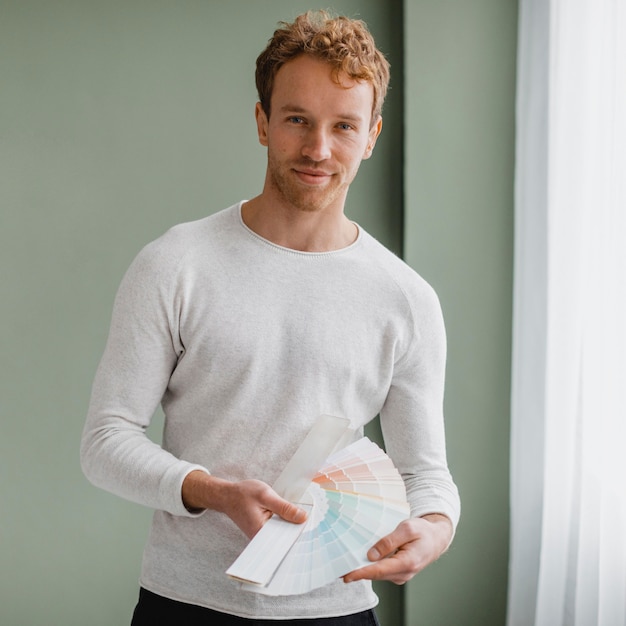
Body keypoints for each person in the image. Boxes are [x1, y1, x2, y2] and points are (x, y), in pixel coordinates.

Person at [81, 10, 460, 625]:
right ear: (262, 122)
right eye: (297, 121)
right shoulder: (176, 264)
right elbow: (105, 442)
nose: (318, 148)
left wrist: (437, 528)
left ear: (372, 135)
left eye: (344, 126)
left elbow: (426, 474)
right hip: (186, 604)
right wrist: (215, 493)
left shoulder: (407, 299)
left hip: (338, 606)